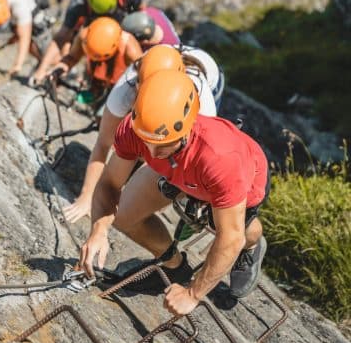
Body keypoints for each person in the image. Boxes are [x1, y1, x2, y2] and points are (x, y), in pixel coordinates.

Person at [80, 69, 269, 314]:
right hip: (179, 170)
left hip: (240, 176)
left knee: (226, 228)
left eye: (162, 145)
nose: (151, 152)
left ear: (187, 128)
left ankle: (254, 244)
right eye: (147, 143)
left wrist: (193, 293)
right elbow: (109, 184)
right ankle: (174, 266)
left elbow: (230, 238)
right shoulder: (140, 129)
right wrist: (99, 230)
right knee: (124, 216)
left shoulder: (220, 158)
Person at [64, 44, 223, 223]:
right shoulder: (126, 86)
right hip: (158, 66)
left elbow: (201, 152)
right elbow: (103, 143)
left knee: (178, 149)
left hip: (210, 76)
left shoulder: (200, 95)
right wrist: (87, 197)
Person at [29, 0, 143, 86]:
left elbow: (141, 18)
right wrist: (42, 70)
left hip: (125, 34)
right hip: (97, 38)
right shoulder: (81, 0)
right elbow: (62, 37)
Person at [51, 17, 142, 109]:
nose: (96, 60)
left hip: (120, 86)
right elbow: (71, 58)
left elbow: (143, 79)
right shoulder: (85, 36)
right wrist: (57, 70)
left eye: (100, 58)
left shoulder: (130, 49)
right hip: (96, 80)